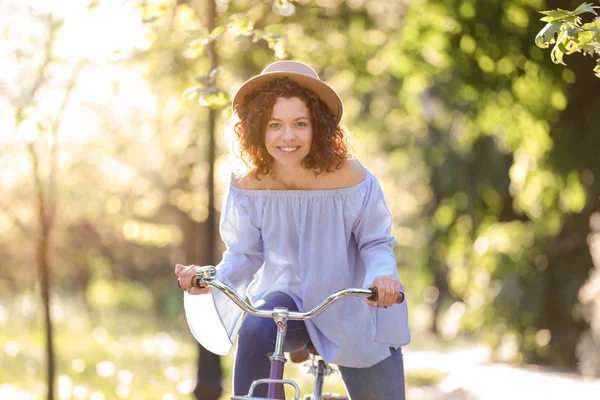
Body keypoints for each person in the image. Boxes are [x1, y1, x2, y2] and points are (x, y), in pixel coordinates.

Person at [175, 60, 410, 400]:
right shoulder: (247, 182)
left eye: (300, 123)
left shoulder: (352, 178)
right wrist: (212, 282)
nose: (288, 136)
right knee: (256, 329)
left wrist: (382, 277)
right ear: (258, 128)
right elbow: (244, 253)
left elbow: (375, 243)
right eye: (275, 125)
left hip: (352, 305)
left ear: (318, 127)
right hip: (287, 302)